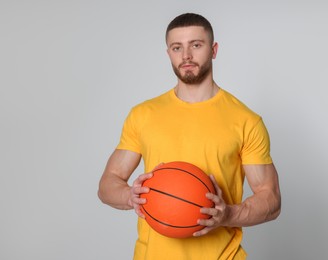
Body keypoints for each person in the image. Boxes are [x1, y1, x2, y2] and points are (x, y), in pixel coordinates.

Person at [98, 13, 281, 260]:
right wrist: (129, 196)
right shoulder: (143, 115)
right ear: (169, 54)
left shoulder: (246, 120)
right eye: (177, 47)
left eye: (196, 45)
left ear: (213, 50)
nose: (186, 55)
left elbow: (270, 198)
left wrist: (228, 215)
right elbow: (108, 183)